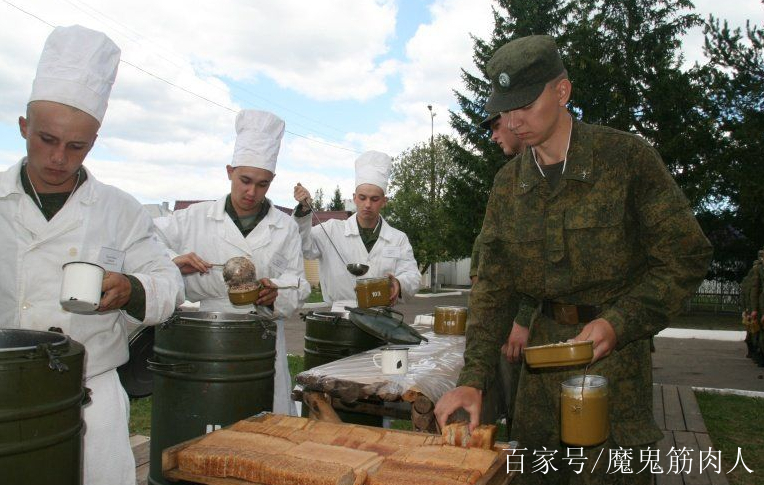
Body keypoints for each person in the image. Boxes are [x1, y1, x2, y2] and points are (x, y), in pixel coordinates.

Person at [434, 35, 712, 484]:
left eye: (524, 103)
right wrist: (474, 377)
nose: (513, 120)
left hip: (615, 373)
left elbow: (685, 256)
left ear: (561, 92)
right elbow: (493, 291)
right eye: (505, 109)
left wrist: (620, 321)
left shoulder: (625, 160)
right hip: (539, 382)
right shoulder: (508, 187)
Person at [0, 25, 184, 485]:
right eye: (46, 139)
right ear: (23, 127)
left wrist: (132, 289)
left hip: (92, 392)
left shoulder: (119, 210)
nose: (59, 157)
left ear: (94, 142)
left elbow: (169, 282)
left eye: (76, 146)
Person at [154, 109, 310, 416]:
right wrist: (173, 260)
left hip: (265, 335)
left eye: (262, 184)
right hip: (211, 337)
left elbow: (300, 284)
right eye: (245, 180)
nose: (252, 192)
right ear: (229, 171)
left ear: (272, 181)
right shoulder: (196, 218)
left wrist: (276, 292)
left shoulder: (285, 226)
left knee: (267, 421)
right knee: (215, 416)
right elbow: (145, 238)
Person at [292, 151, 420, 308]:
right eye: (362, 197)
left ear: (384, 201)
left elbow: (412, 276)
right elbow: (302, 245)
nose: (367, 204)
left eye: (374, 199)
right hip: (341, 317)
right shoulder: (332, 230)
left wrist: (399, 283)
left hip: (382, 316)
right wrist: (304, 210)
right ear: (354, 198)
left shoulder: (398, 238)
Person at [471, 112, 525, 430]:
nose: (493, 136)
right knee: (522, 419)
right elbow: (487, 269)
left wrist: (523, 318)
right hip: (511, 328)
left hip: (541, 329)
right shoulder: (508, 179)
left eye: (495, 125)